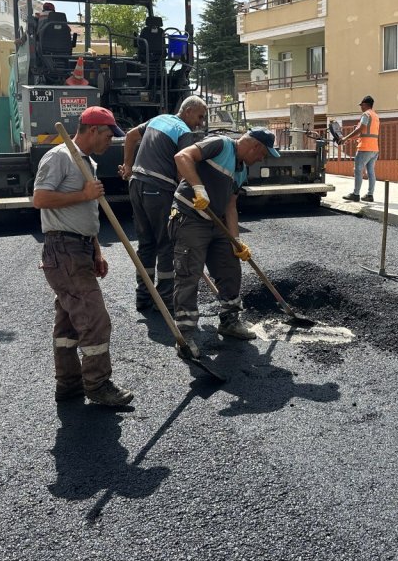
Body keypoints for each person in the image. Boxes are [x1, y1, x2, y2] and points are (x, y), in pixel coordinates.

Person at [32, 106, 134, 407]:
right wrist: (84, 194)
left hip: (79, 249)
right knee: (95, 319)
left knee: (68, 324)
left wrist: (97, 252)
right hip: (63, 250)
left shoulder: (85, 161)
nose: (110, 142)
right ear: (91, 130)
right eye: (107, 135)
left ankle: (69, 385)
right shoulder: (60, 156)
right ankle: (98, 385)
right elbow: (40, 198)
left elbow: (87, 214)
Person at [169, 129, 280, 356]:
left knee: (230, 267)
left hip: (216, 221)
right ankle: (186, 335)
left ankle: (229, 321)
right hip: (189, 217)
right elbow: (182, 157)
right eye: (263, 154)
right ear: (255, 146)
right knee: (189, 274)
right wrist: (198, 188)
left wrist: (235, 241)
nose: (262, 159)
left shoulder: (241, 169)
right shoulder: (220, 145)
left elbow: (230, 205)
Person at [119, 95, 208, 312]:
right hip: (157, 189)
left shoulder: (158, 119)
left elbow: (130, 136)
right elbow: (182, 168)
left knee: (146, 244)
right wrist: (196, 192)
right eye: (200, 116)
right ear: (187, 111)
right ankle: (166, 299)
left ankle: (144, 297)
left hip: (137, 185)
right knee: (166, 244)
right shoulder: (183, 131)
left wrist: (128, 166)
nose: (201, 122)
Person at [339, 95, 380, 202]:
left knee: (358, 171)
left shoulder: (366, 114)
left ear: (366, 105)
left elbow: (361, 128)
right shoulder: (375, 116)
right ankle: (370, 195)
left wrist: (345, 138)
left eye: (361, 105)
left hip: (364, 147)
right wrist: (350, 139)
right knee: (371, 171)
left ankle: (356, 194)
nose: (361, 107)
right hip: (374, 148)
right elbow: (366, 132)